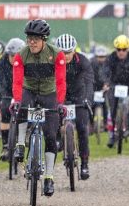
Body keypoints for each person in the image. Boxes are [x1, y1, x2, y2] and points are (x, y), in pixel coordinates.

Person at [11, 19, 66, 197]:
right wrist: (18, 100)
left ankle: (49, 177)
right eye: (29, 38)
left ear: (44, 39)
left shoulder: (56, 54)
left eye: (35, 39)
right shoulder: (21, 55)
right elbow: (18, 81)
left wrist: (60, 103)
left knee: (50, 135)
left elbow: (61, 81)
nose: (31, 42)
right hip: (29, 90)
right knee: (21, 108)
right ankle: (20, 144)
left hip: (49, 93)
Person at [56, 34, 93, 180]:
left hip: (79, 95)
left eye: (68, 52)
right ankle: (58, 137)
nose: (65, 56)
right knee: (53, 120)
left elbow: (89, 82)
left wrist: (88, 100)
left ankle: (84, 164)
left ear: (74, 50)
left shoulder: (83, 61)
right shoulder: (52, 61)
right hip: (60, 94)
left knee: (83, 129)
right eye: (62, 53)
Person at [103, 35, 129, 148]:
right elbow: (105, 71)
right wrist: (106, 83)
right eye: (119, 49)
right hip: (114, 84)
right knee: (113, 108)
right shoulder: (111, 58)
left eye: (124, 49)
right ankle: (112, 135)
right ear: (116, 49)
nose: (121, 52)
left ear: (127, 49)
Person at [0, 37, 26, 161]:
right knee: (4, 109)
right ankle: (6, 145)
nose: (12, 58)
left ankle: (26, 132)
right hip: (8, 90)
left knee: (27, 109)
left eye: (16, 56)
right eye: (10, 55)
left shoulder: (27, 62)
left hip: (23, 90)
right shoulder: (3, 62)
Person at [90, 45, 109, 130]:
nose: (101, 58)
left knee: (105, 105)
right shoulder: (91, 63)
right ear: (96, 56)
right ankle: (90, 124)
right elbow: (88, 75)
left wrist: (107, 84)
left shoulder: (108, 64)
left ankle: (105, 124)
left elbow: (110, 75)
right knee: (91, 105)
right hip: (93, 86)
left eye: (103, 57)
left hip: (104, 87)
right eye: (99, 57)